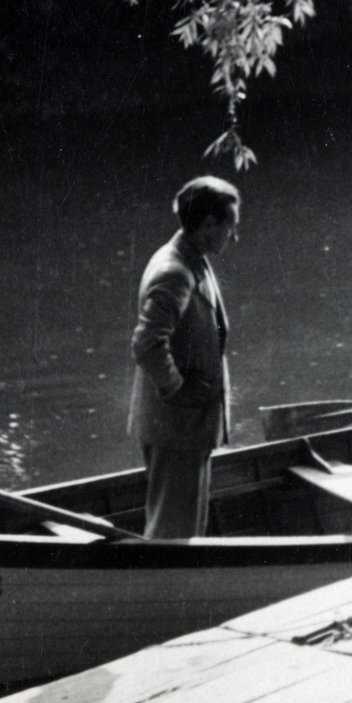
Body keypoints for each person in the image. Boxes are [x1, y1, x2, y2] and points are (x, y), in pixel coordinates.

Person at [128, 176, 240, 538]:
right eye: (230, 225)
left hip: (188, 428)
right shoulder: (174, 271)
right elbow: (147, 343)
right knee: (172, 534)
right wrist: (177, 390)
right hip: (177, 426)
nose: (233, 235)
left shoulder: (193, 259)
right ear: (208, 224)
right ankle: (163, 593)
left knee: (184, 527)